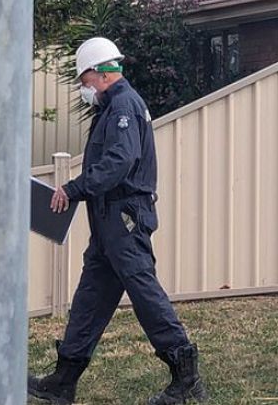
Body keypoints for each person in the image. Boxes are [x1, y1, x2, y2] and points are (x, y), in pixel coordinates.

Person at [28, 37, 208, 404]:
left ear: (101, 73)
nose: (85, 88)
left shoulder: (124, 106)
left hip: (124, 218)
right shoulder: (113, 107)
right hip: (109, 221)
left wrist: (74, 188)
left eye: (85, 80)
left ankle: (185, 376)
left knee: (144, 292)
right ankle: (64, 380)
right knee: (91, 297)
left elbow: (119, 161)